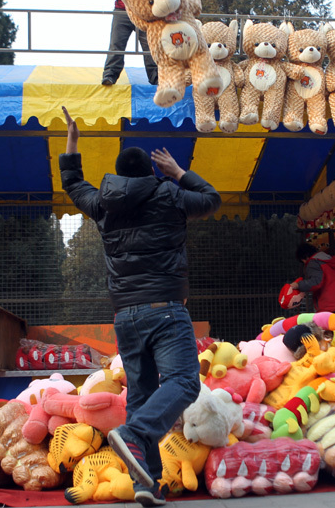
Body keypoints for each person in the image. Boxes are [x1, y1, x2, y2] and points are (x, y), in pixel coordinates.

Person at [58, 106, 220, 506]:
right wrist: (178, 171)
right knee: (184, 382)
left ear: (116, 175)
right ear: (151, 173)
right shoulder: (169, 195)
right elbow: (211, 199)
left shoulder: (103, 204)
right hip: (165, 309)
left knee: (141, 396)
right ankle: (136, 433)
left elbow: (73, 182)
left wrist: (73, 140)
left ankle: (147, 483)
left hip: (126, 316)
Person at [291, 242, 335, 314]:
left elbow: (316, 282)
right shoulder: (328, 260)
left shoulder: (313, 263)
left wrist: (298, 285)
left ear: (305, 257)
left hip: (328, 306)